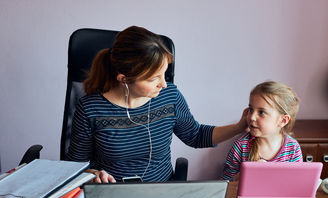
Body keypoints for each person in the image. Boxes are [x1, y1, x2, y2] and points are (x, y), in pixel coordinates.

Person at [66, 25, 247, 183]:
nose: (164, 84)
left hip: (162, 193)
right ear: (125, 79)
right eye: (154, 78)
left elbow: (196, 135)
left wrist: (239, 127)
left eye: (164, 74)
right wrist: (93, 174)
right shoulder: (90, 108)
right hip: (111, 196)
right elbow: (76, 167)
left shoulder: (170, 96)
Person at [221, 81, 303, 181]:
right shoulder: (240, 147)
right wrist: (247, 174)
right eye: (251, 110)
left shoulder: (292, 148)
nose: (252, 117)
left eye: (261, 112)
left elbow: (296, 183)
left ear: (283, 120)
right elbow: (225, 183)